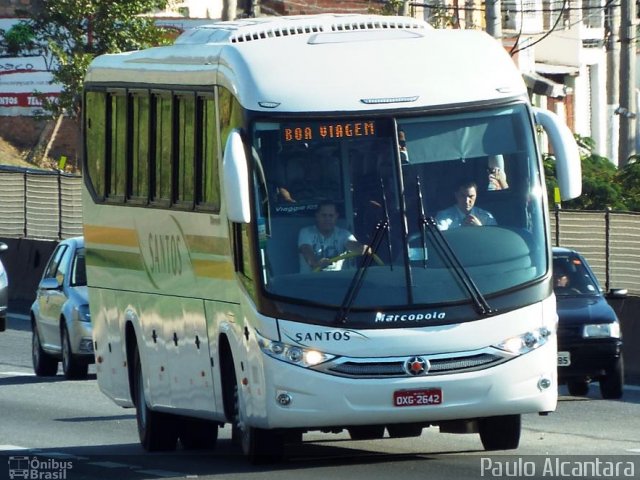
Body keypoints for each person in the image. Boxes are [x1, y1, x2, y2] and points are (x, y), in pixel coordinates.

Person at [298, 201, 366, 272]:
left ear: (336, 216)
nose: (327, 219)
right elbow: (306, 251)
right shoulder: (306, 232)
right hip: (312, 280)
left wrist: (361, 248)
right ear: (317, 216)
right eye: (324, 215)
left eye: (331, 216)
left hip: (337, 280)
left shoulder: (344, 234)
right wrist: (316, 263)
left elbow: (352, 244)